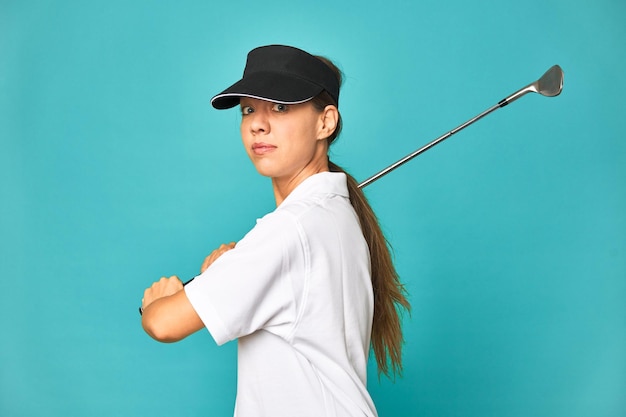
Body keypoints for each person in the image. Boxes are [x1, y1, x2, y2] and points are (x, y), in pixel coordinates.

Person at [140, 44, 410, 417]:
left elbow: (163, 323)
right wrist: (224, 275)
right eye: (248, 109)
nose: (257, 123)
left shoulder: (291, 229)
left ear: (325, 122)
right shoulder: (334, 215)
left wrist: (156, 301)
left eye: (280, 107)